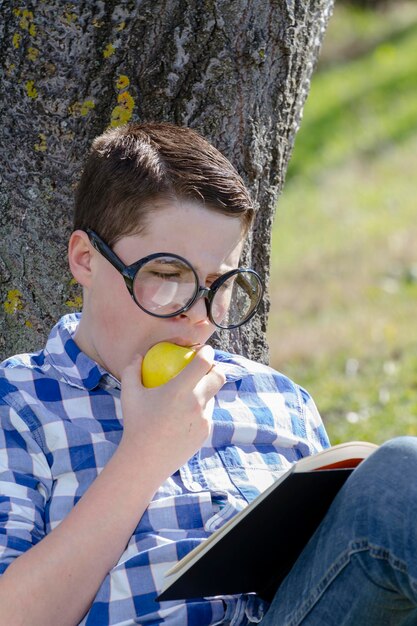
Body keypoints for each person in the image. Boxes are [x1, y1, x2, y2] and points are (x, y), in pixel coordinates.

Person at [0, 123, 416, 626]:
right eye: (168, 276)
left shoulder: (277, 398)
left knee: (401, 474)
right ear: (86, 259)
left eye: (220, 284)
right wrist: (145, 455)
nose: (198, 316)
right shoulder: (19, 403)